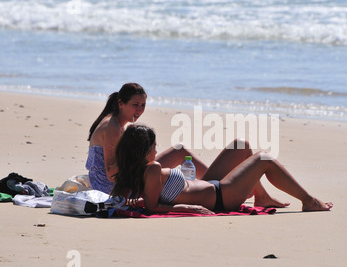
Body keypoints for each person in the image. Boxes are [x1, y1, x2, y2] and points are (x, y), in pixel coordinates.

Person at [86, 83, 288, 208]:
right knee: (236, 150)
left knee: (179, 150)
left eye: (143, 105)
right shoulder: (112, 126)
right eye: (135, 105)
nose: (139, 110)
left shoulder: (121, 123)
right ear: (121, 103)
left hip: (123, 179)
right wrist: (140, 161)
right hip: (112, 188)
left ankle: (223, 187)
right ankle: (225, 187)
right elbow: (112, 173)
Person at [110, 124, 333, 214]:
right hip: (221, 196)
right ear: (142, 150)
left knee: (241, 145)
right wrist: (189, 208)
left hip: (212, 185)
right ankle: (309, 201)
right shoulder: (152, 169)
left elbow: (143, 201)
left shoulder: (144, 170)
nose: (156, 150)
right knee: (264, 159)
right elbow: (152, 208)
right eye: (153, 147)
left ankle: (262, 197)